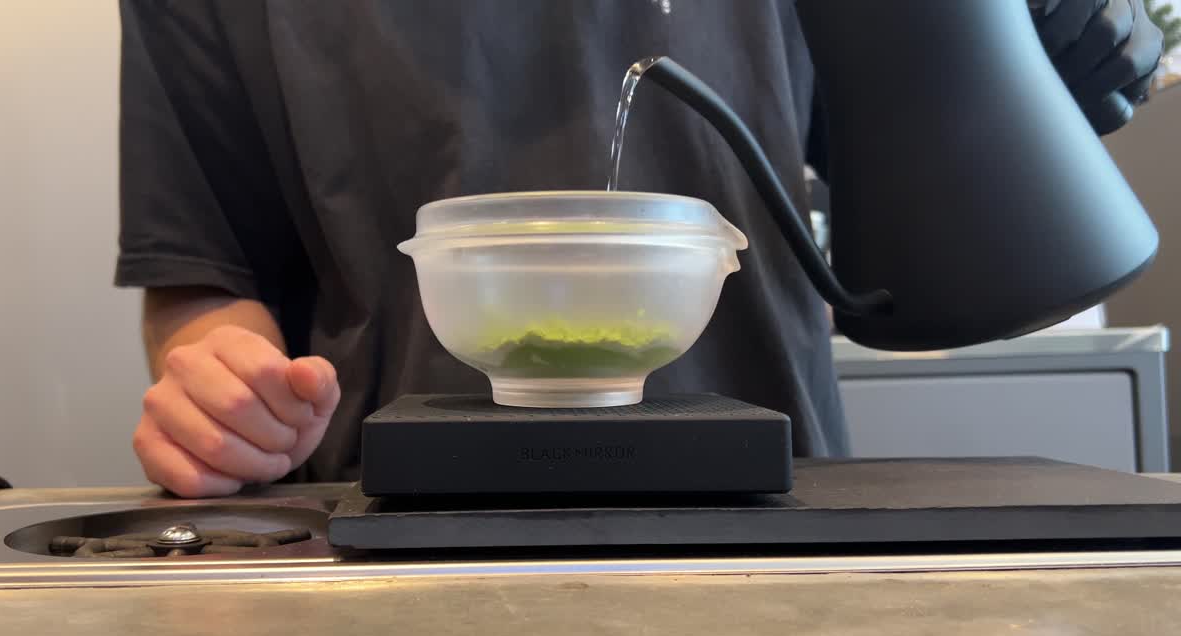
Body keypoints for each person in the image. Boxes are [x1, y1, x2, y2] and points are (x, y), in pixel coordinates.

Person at [117, 1, 1163, 498]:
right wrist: (222, 388)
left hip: (773, 523)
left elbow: (942, 136)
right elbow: (203, 274)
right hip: (380, 534)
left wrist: (1059, 43)